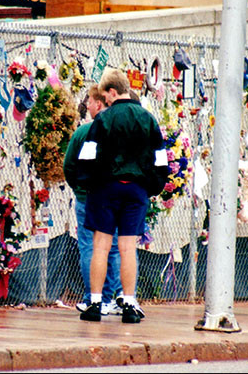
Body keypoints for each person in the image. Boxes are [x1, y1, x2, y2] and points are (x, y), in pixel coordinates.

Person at [78, 68, 166, 323]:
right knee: (128, 248)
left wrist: (89, 184)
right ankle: (129, 302)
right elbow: (160, 159)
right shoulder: (148, 119)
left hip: (105, 188)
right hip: (136, 190)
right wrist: (151, 187)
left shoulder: (103, 120)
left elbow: (88, 156)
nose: (104, 101)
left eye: (105, 96)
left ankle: (95, 302)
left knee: (101, 246)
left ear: (112, 92)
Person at [64, 85, 123, 317]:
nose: (86, 105)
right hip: (113, 197)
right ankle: (110, 298)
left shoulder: (83, 132)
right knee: (115, 248)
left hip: (87, 198)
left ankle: (92, 298)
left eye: (89, 101)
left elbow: (69, 165)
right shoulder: (120, 132)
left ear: (99, 104)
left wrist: (79, 189)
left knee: (89, 247)